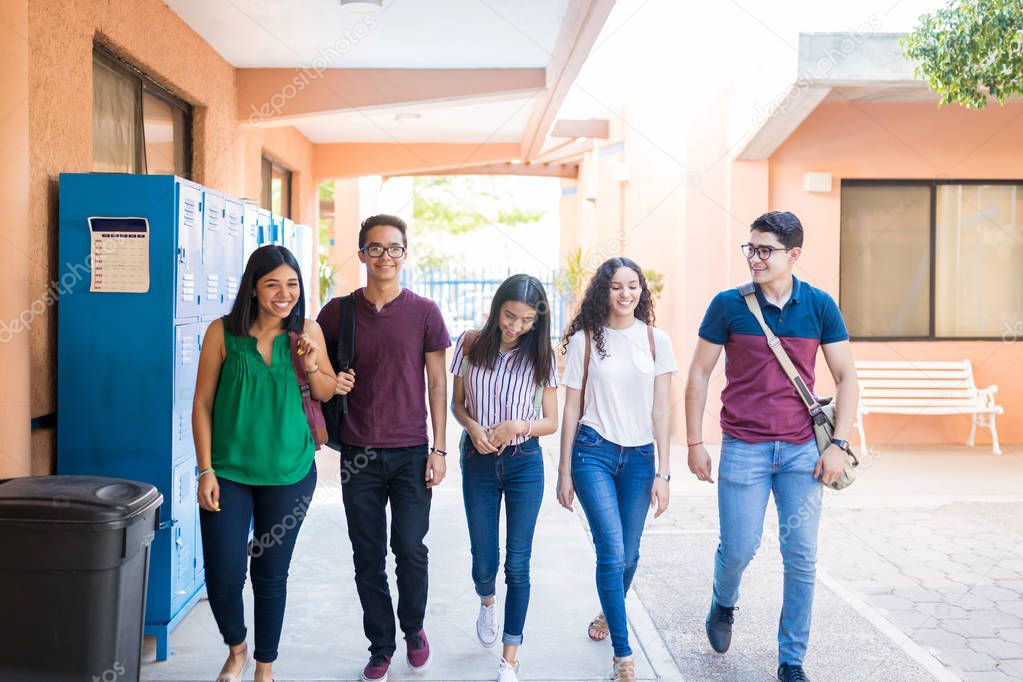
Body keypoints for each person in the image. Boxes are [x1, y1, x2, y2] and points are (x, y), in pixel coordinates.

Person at [685, 211, 857, 682]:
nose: (755, 258)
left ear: (794, 255)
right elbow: (698, 373)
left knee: (801, 555)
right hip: (743, 447)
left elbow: (846, 377)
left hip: (804, 450)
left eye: (765, 250)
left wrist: (838, 443)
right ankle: (724, 601)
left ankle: (791, 659)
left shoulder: (820, 305)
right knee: (739, 547)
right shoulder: (728, 305)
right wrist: (695, 440)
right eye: (751, 248)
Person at [193, 245, 337, 682]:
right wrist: (205, 469)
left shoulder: (306, 332)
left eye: (291, 284)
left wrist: (311, 365)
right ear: (253, 289)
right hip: (228, 472)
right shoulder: (222, 333)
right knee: (223, 575)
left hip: (289, 473)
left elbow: (327, 392)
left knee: (270, 573)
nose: (284, 293)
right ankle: (236, 648)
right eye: (272, 284)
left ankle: (264, 667)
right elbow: (201, 404)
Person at [317, 214, 451, 682]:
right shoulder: (338, 313)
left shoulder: (425, 313)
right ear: (361, 255)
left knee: (410, 548)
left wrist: (440, 449)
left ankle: (413, 627)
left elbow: (437, 382)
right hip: (358, 454)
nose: (385, 257)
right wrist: (335, 381)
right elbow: (312, 370)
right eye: (375, 249)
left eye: (393, 249)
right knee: (367, 554)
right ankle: (381, 645)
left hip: (412, 450)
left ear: (405, 255)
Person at [557, 257, 677, 682]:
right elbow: (571, 406)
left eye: (632, 286)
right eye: (616, 287)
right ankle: (624, 655)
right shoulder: (586, 341)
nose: (625, 294)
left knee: (629, 553)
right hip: (593, 453)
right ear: (602, 292)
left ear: (641, 290)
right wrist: (564, 469)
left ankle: (608, 612)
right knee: (611, 551)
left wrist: (664, 472)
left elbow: (663, 410)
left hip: (641, 459)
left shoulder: (655, 340)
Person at [450, 274, 560, 682]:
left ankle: (509, 659)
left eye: (526, 320)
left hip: (524, 462)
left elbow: (550, 420)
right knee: (484, 561)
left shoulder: (541, 354)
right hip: (477, 461)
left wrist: (518, 424)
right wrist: (473, 428)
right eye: (510, 315)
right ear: (498, 307)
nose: (515, 326)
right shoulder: (469, 343)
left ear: (537, 321)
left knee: (518, 563)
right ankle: (486, 600)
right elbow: (458, 405)